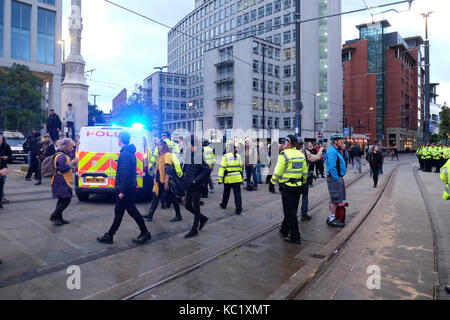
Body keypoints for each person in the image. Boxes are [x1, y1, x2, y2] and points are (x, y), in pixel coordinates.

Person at [97, 132, 151, 244]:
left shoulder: (125, 154)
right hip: (128, 187)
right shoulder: (129, 153)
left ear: (120, 139)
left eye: (118, 138)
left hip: (126, 188)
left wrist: (122, 191)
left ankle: (145, 233)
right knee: (119, 211)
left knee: (131, 210)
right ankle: (110, 235)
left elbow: (125, 174)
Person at [269, 135, 307, 244]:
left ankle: (295, 236)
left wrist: (272, 183)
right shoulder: (300, 154)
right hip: (298, 187)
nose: (284, 144)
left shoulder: (284, 155)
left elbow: (278, 171)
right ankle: (284, 229)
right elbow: (304, 171)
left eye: (285, 142)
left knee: (289, 212)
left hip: (287, 188)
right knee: (292, 210)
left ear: (289, 143)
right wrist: (304, 182)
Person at [143, 139, 183, 222]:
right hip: (159, 180)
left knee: (173, 198)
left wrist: (166, 181)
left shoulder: (167, 155)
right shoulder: (160, 155)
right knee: (156, 197)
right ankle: (150, 215)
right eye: (157, 145)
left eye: (160, 145)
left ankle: (178, 215)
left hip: (165, 181)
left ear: (164, 146)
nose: (158, 146)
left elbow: (168, 168)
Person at [183, 135, 211, 238]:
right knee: (187, 206)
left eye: (188, 143)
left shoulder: (198, 154)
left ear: (191, 143)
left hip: (196, 186)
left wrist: (196, 180)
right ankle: (202, 218)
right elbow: (188, 167)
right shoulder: (190, 153)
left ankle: (194, 229)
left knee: (196, 206)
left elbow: (207, 169)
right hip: (189, 185)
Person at [49, 138, 77, 226]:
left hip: (62, 180)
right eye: (71, 147)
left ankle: (59, 218)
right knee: (66, 200)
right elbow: (62, 168)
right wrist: (72, 163)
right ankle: (54, 216)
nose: (72, 149)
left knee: (62, 199)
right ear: (65, 146)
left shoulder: (64, 155)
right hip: (61, 180)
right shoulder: (61, 156)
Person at [325, 134, 347, 228]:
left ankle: (332, 216)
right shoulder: (332, 151)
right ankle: (331, 218)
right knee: (334, 199)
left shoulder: (336, 150)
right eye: (341, 141)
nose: (342, 142)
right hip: (335, 178)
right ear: (335, 141)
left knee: (336, 198)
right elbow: (332, 166)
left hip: (337, 177)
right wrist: (337, 179)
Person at [300, 139, 323, 220]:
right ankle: (304, 214)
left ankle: (290, 215)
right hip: (303, 179)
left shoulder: (287, 152)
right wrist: (320, 150)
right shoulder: (305, 152)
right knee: (304, 197)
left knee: (293, 199)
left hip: (291, 181)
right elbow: (316, 158)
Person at [218, 143, 243, 215]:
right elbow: (240, 167)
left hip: (228, 178)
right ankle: (239, 209)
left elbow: (222, 168)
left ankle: (223, 205)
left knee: (226, 192)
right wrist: (241, 177)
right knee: (237, 194)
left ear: (228, 149)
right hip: (237, 178)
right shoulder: (238, 156)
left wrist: (219, 179)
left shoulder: (225, 156)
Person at [0, 135, 12, 204]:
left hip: (3, 168)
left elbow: (11, 156)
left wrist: (6, 157)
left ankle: (2, 197)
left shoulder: (6, 146)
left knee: (2, 183)